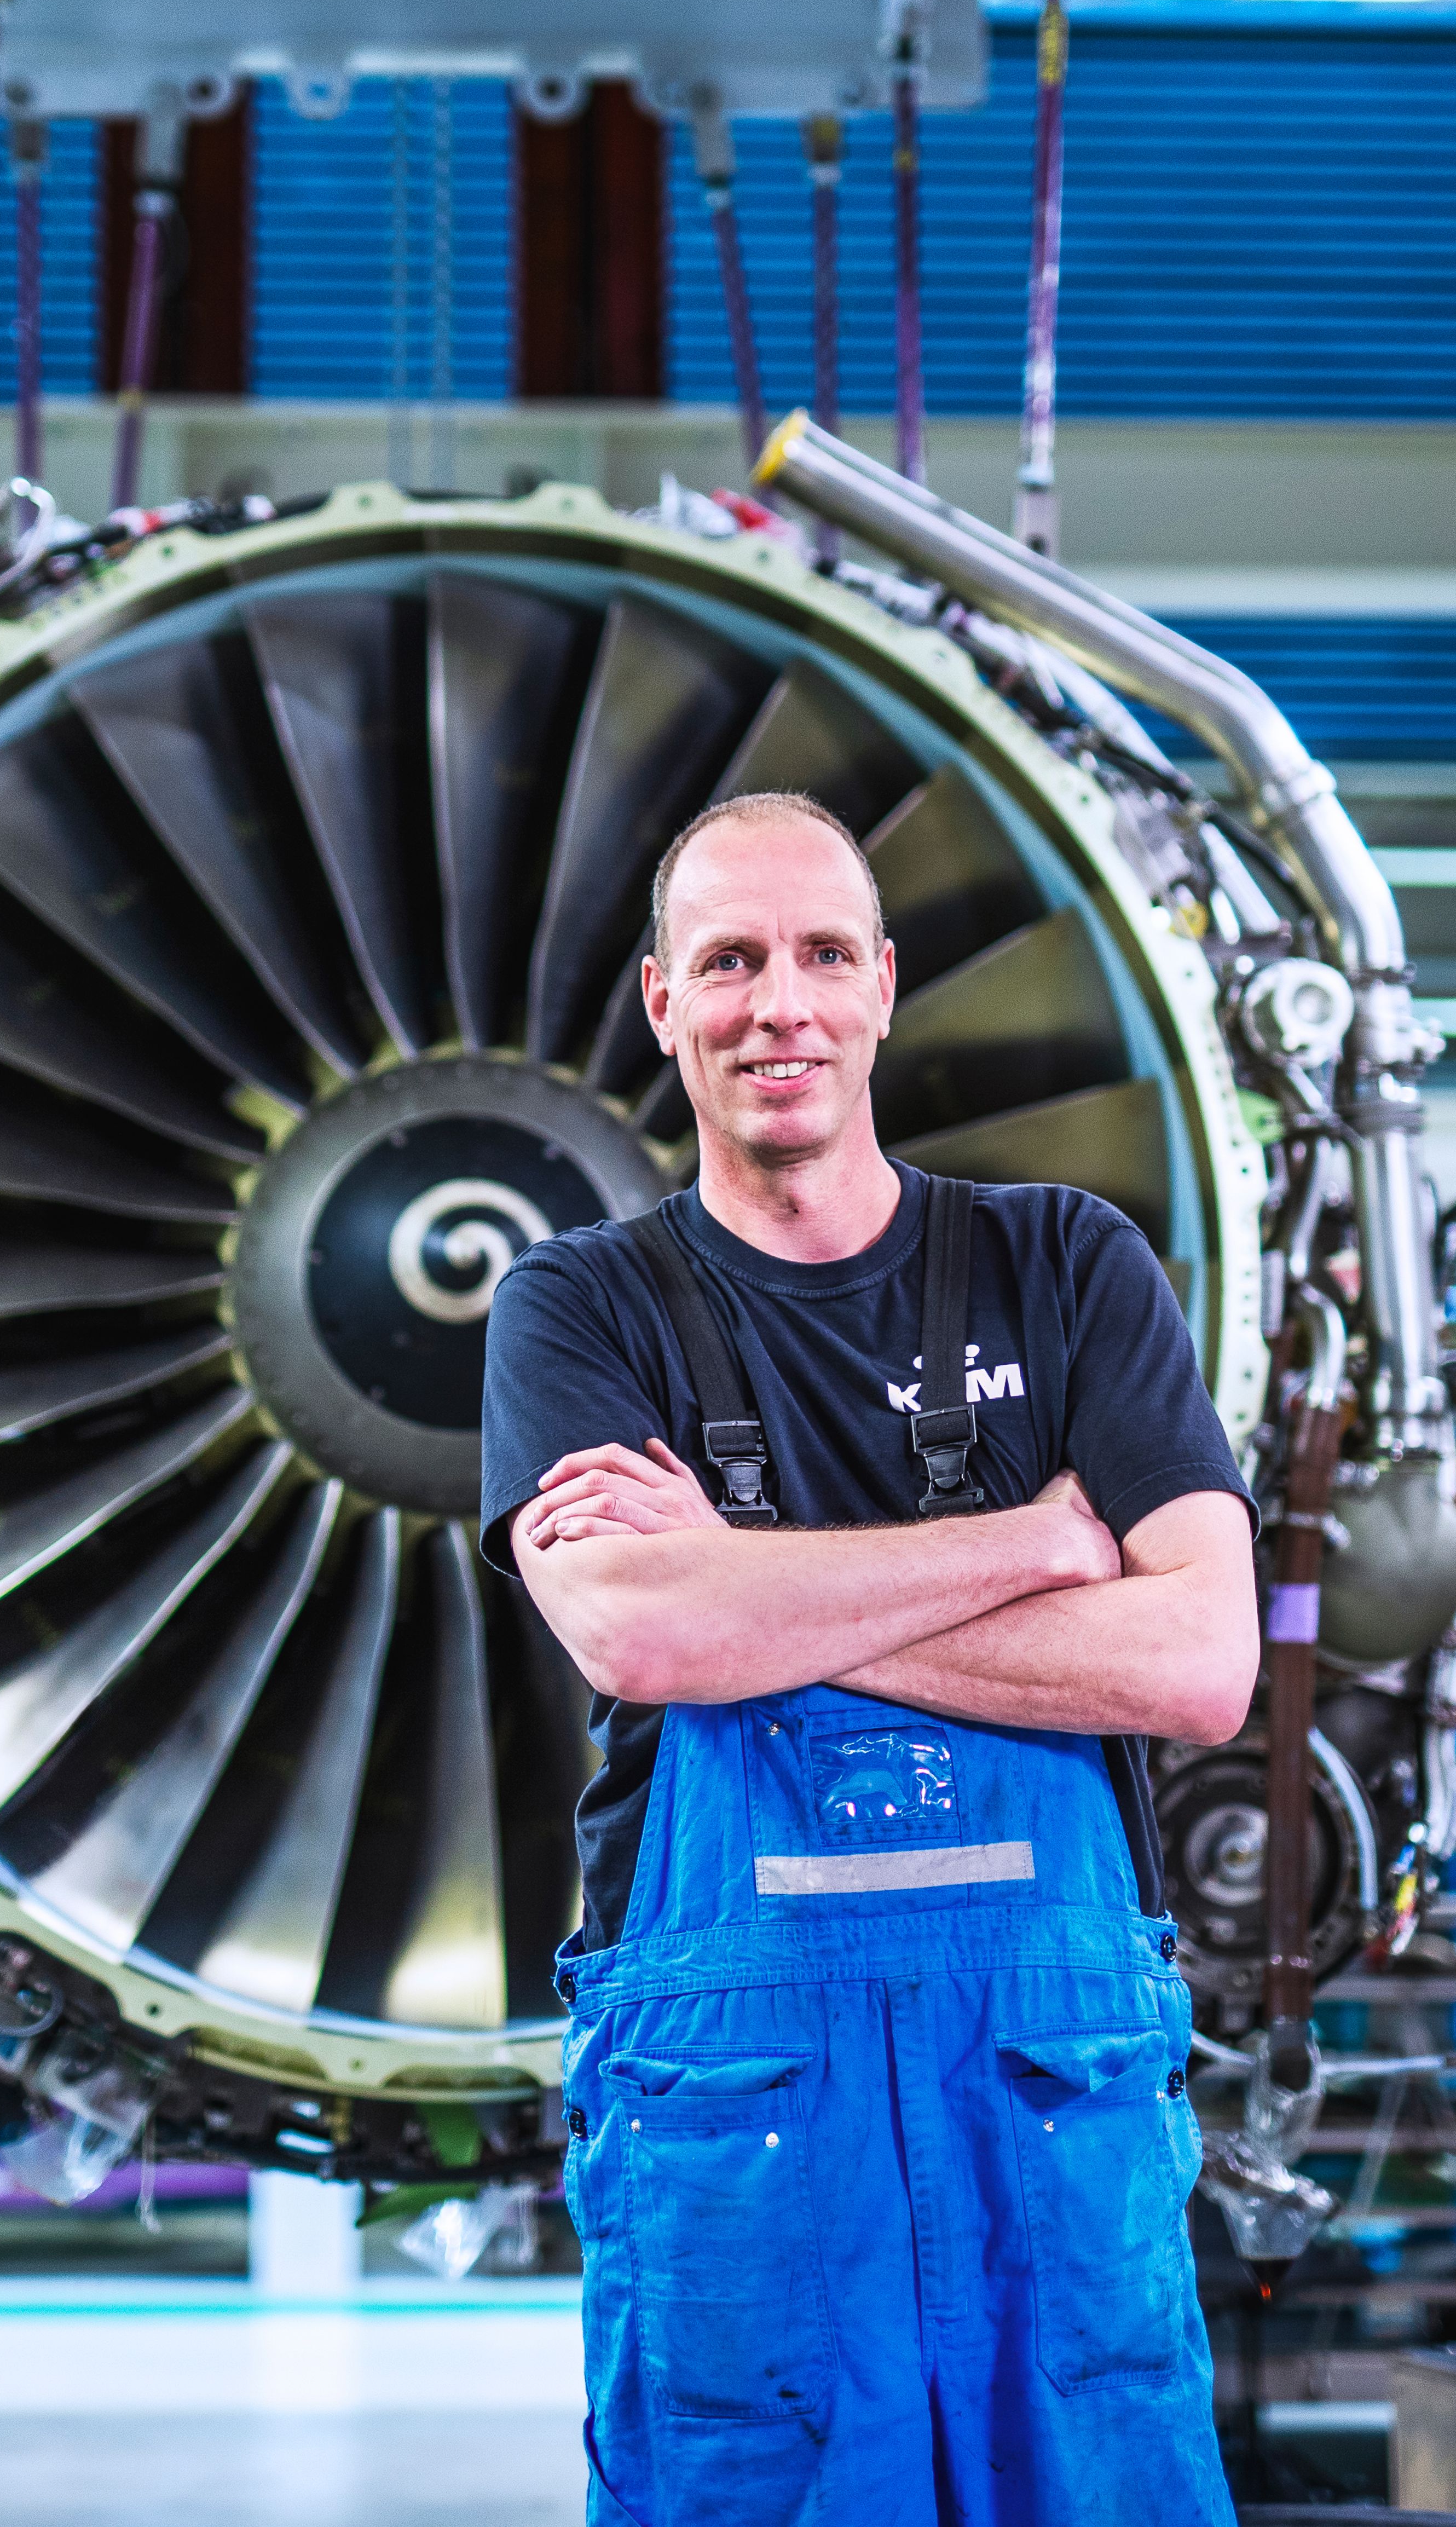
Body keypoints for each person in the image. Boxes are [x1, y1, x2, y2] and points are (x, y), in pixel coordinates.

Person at [482, 789, 1257, 2526]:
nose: (785, 1007)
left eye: (826, 954)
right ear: (663, 1002)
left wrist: (758, 1594)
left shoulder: (1065, 1266)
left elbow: (1202, 1661)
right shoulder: (577, 1309)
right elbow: (645, 1628)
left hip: (1044, 2097)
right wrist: (1047, 1545)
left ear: (888, 986)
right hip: (746, 2127)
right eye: (733, 962)